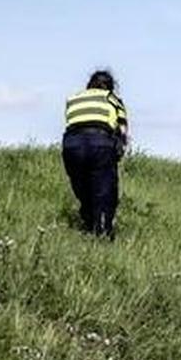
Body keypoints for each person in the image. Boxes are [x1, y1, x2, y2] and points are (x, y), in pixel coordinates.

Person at [63, 70, 129, 239]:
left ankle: (88, 223)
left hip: (71, 145)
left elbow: (71, 122)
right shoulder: (112, 98)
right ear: (110, 86)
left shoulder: (73, 98)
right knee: (104, 190)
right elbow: (122, 129)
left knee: (82, 188)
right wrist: (120, 149)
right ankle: (102, 233)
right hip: (100, 144)